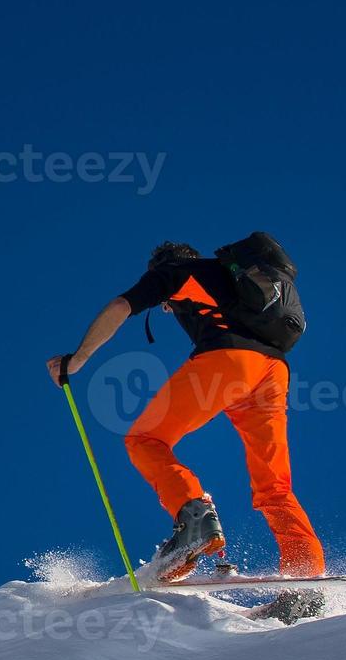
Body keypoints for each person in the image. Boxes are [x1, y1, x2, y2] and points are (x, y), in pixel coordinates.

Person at [46, 240, 326, 583]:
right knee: (275, 486)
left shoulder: (174, 273)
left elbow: (120, 306)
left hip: (228, 361)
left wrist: (77, 360)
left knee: (144, 439)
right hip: (273, 372)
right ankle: (306, 574)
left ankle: (195, 520)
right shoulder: (231, 278)